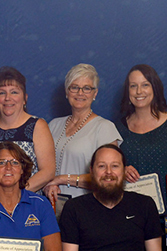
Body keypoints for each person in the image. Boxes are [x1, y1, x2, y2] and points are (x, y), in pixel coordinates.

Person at [0, 67, 55, 201]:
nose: (8, 98)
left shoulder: (37, 126)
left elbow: (48, 171)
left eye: (14, 92)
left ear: (24, 99)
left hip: (25, 205)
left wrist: (12, 196)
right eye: (2, 93)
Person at [43, 64, 122, 201]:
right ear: (67, 92)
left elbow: (109, 178)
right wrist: (47, 185)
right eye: (74, 87)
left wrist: (60, 179)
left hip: (86, 208)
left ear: (95, 93)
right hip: (50, 205)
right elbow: (41, 166)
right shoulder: (53, 125)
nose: (80, 93)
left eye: (87, 88)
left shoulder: (105, 128)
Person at [117, 64, 167, 204]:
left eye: (145, 85)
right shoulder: (118, 128)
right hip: (131, 212)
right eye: (133, 86)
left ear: (155, 87)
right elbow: (109, 169)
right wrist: (120, 170)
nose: (139, 91)